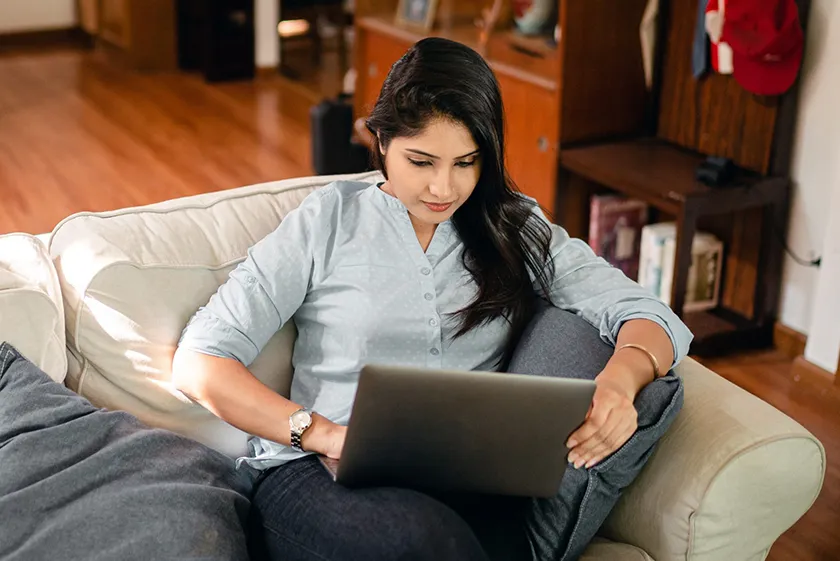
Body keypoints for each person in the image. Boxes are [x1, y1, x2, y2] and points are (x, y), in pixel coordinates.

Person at [172, 37, 693, 561]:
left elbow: (646, 313)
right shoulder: (328, 221)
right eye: (421, 161)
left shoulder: (513, 227)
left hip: (464, 484)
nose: (444, 187)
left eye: (466, 162)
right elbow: (200, 361)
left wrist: (621, 381)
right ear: (380, 141)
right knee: (423, 542)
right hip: (319, 477)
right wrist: (325, 434)